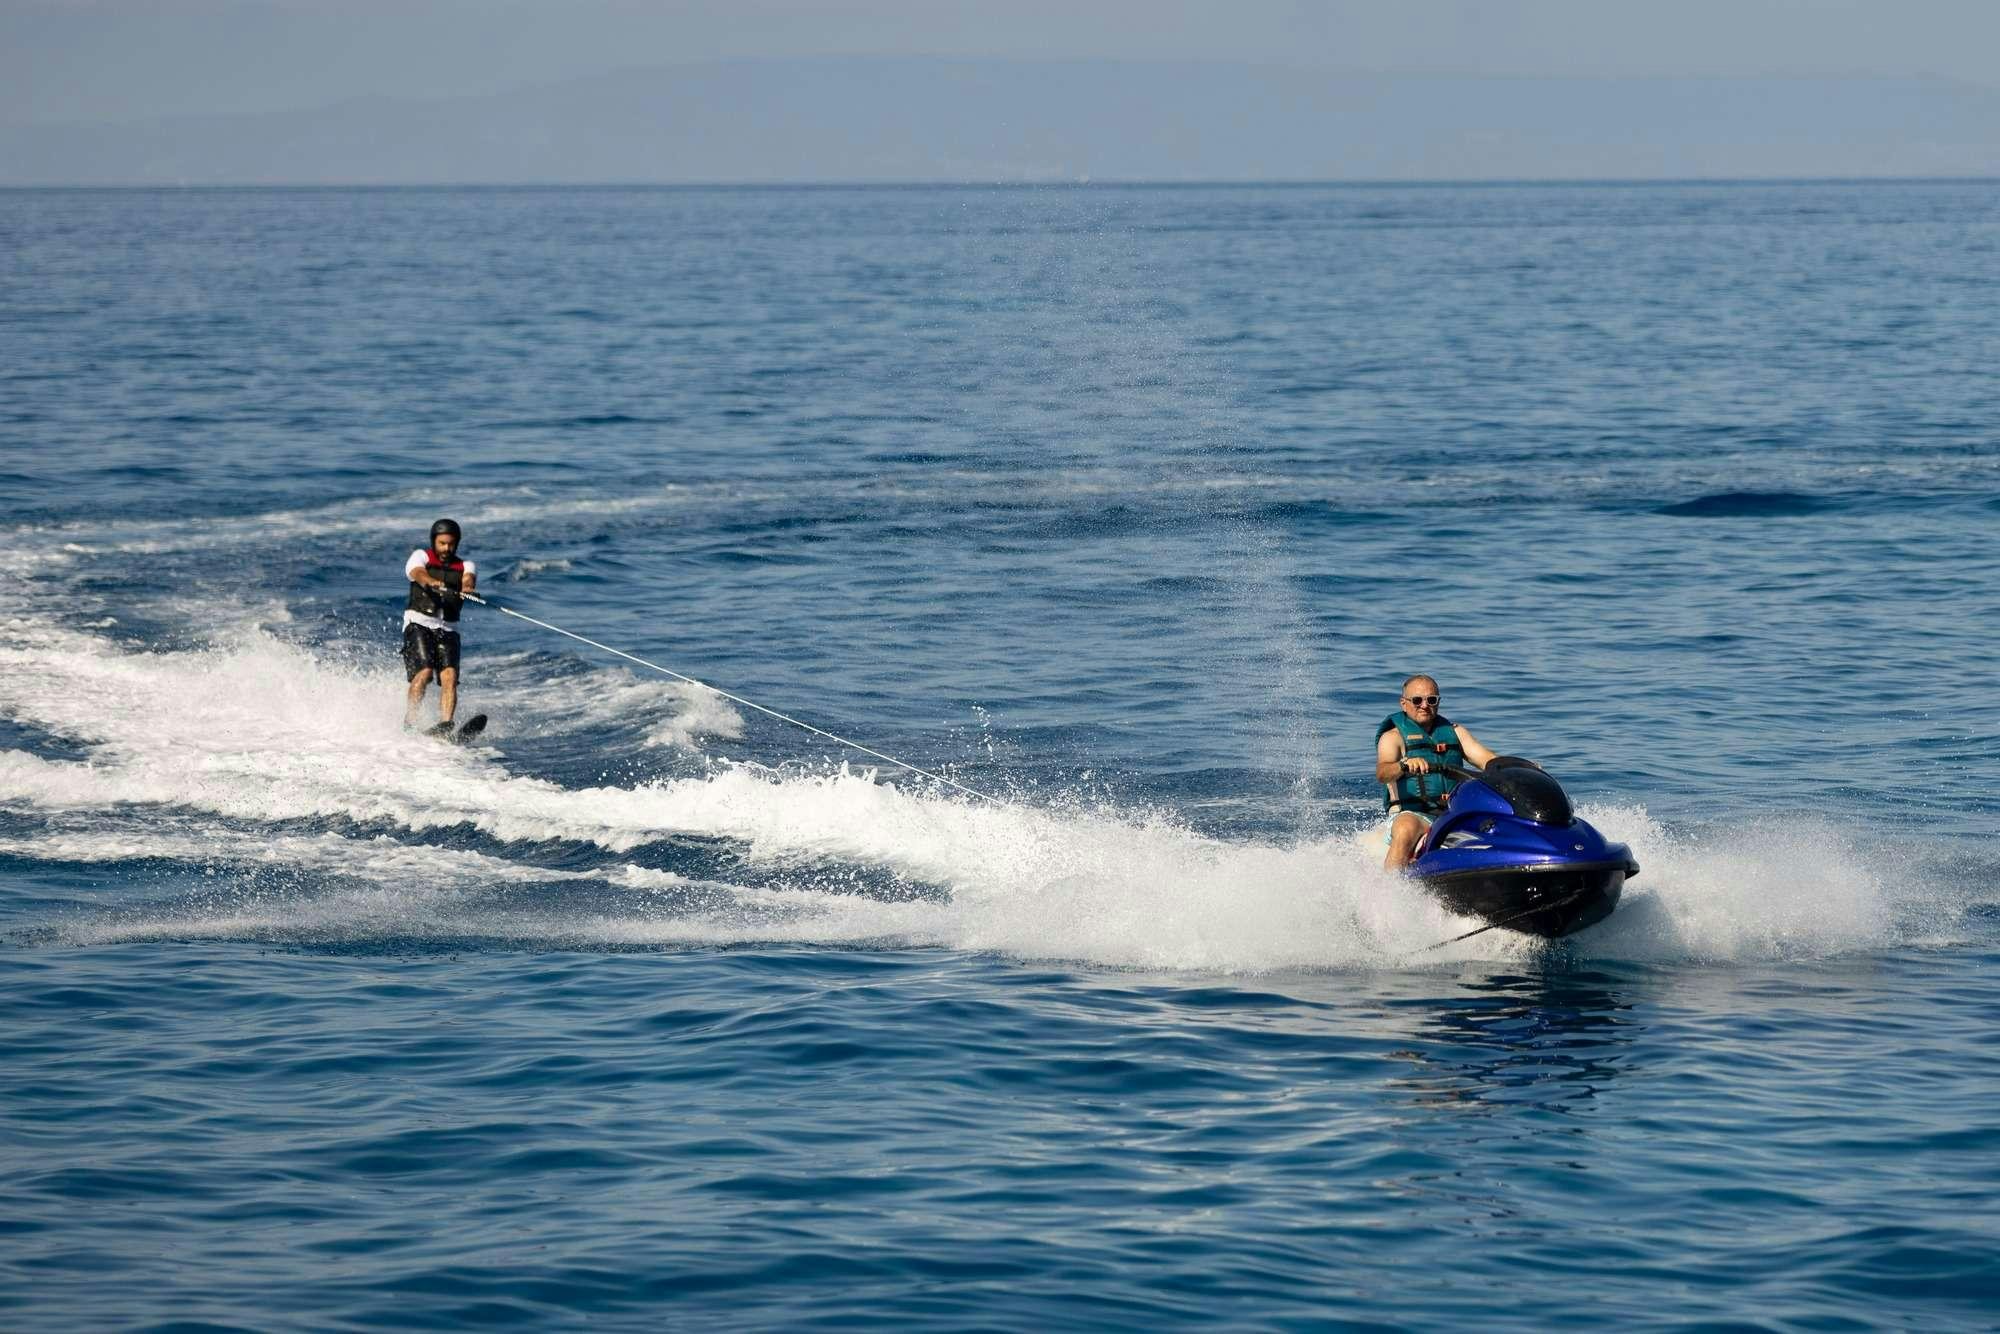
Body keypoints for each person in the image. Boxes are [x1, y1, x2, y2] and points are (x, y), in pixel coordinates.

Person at [1374, 674, 1499, 870]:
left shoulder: (1456, 732)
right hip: (1414, 814)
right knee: (1406, 828)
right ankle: (1387, 891)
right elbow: (1382, 773)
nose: (1424, 705)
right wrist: (1404, 765)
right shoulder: (1393, 738)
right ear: (1403, 703)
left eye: (1431, 700)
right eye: (1417, 700)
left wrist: (1519, 767)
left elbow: (1487, 760)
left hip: (1453, 813)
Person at [403, 518, 476, 734]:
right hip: (419, 623)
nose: (446, 548)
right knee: (425, 672)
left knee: (449, 677)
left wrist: (467, 588)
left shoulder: (466, 565)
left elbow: (468, 579)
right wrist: (430, 581)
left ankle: (445, 724)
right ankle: (410, 721)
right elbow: (416, 573)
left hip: (448, 628)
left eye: (451, 544)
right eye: (442, 543)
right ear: (434, 541)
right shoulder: (421, 556)